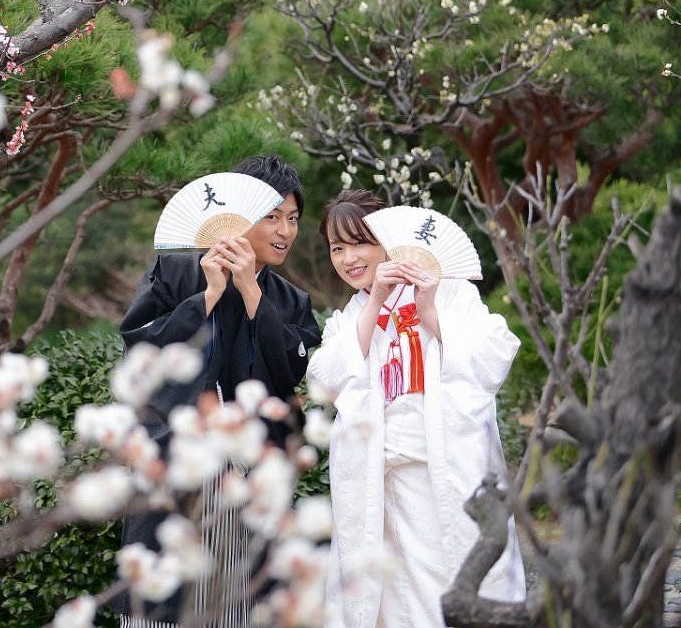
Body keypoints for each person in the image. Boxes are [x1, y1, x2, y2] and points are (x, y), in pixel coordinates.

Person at [113, 155, 322, 628]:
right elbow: (139, 348)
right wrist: (206, 296)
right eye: (271, 216)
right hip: (177, 460)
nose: (284, 231)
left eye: (292, 219)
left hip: (251, 470)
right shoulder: (175, 272)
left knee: (243, 600)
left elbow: (293, 368)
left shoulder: (292, 300)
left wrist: (252, 293)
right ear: (237, 212)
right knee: (164, 598)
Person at [309, 189, 525, 628]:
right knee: (382, 594)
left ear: (389, 239)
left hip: (442, 472)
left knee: (451, 577)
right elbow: (324, 383)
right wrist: (374, 302)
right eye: (337, 247)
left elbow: (494, 357)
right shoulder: (350, 316)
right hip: (377, 482)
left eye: (360, 242)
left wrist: (428, 311)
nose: (348, 257)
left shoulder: (450, 293)